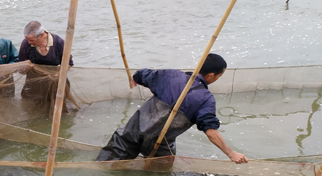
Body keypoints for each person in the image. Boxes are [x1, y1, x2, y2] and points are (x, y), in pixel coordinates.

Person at [96, 53, 249, 163]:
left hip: (131, 134)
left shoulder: (170, 76)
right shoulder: (206, 99)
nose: (216, 79)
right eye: (218, 76)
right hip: (159, 145)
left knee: (103, 166)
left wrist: (135, 79)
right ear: (210, 75)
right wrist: (231, 153)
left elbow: (142, 74)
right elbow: (210, 131)